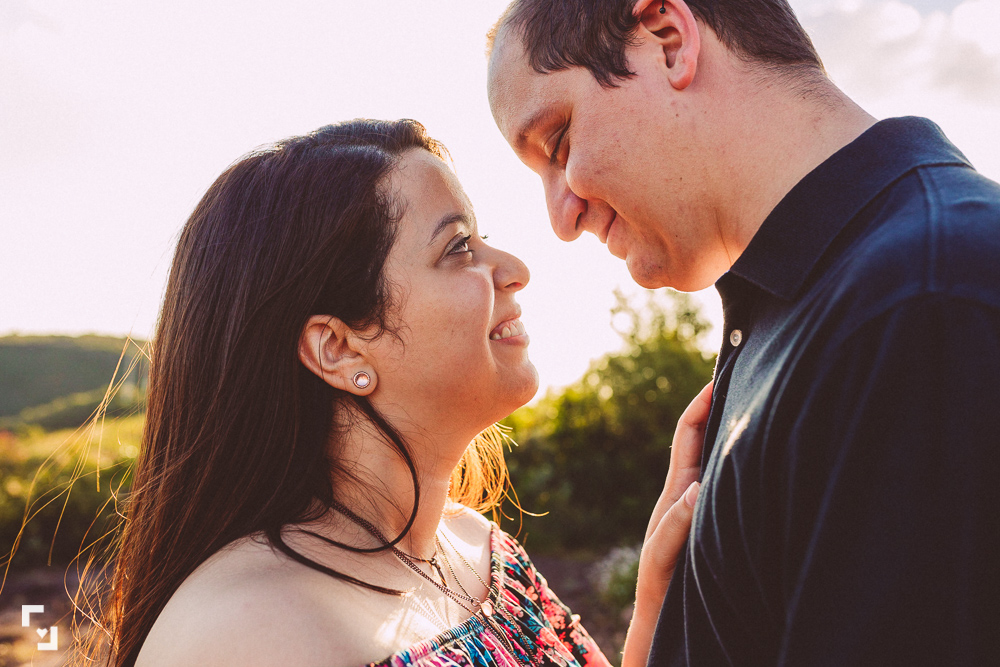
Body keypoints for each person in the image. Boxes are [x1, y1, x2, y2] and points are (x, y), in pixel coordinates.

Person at [72, 119, 708, 667]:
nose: (513, 268)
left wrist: (658, 594)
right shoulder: (243, 632)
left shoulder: (482, 555)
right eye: (458, 247)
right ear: (340, 349)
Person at [486, 0, 1000, 665]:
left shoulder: (922, 304)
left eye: (557, 143)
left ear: (668, 40)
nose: (562, 216)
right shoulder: (812, 305)